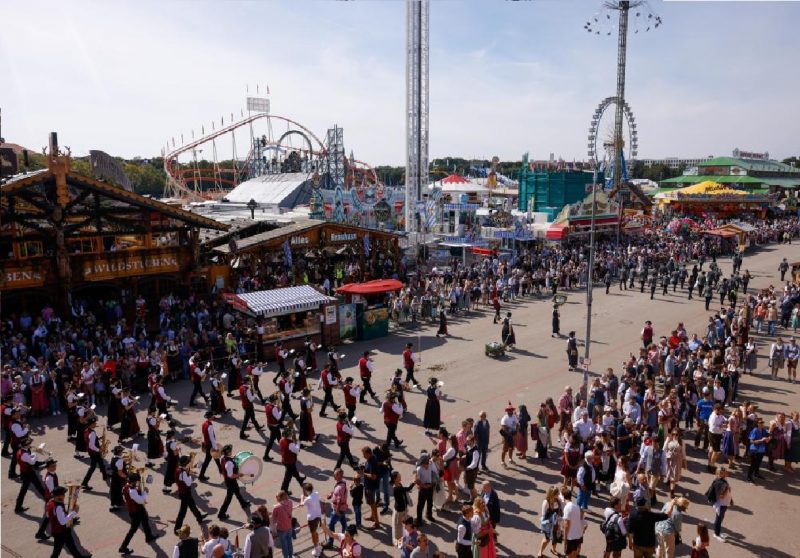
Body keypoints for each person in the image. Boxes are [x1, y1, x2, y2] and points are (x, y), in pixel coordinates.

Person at [119, 473, 160, 555]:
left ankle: (149, 537)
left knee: (145, 521)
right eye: (136, 481)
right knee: (133, 530)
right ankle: (123, 547)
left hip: (136, 510)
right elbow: (141, 500)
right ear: (133, 482)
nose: (138, 483)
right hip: (136, 512)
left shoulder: (125, 487)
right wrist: (145, 492)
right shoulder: (132, 491)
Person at [46, 485, 92, 558]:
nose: (64, 496)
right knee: (57, 552)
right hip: (60, 532)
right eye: (63, 494)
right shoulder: (58, 507)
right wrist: (74, 512)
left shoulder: (50, 502)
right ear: (58, 496)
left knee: (71, 545)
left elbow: (49, 515)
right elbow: (62, 522)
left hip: (59, 531)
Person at [174, 455, 208, 534]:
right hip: (185, 493)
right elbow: (189, 483)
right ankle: (177, 529)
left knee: (192, 505)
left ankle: (199, 518)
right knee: (182, 512)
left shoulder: (177, 470)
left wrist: (187, 471)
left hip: (183, 492)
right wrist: (189, 474)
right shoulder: (183, 473)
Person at [218, 444, 251, 520]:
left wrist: (232, 457)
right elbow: (230, 475)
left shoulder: (223, 458)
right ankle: (221, 514)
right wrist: (239, 474)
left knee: (237, 492)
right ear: (228, 452)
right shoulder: (229, 463)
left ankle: (243, 504)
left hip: (229, 481)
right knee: (228, 498)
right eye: (230, 451)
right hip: (230, 481)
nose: (231, 451)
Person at [80, 417, 108, 490]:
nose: (95, 424)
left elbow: (89, 440)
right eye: (94, 423)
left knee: (101, 462)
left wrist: (98, 438)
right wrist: (99, 450)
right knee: (92, 467)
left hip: (92, 452)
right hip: (94, 452)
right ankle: (84, 483)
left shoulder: (87, 430)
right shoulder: (92, 433)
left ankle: (105, 475)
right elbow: (91, 445)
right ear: (90, 425)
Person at [326, 468, 349, 547]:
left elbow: (339, 500)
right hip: (342, 509)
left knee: (331, 524)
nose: (333, 476)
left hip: (338, 509)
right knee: (344, 525)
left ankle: (330, 542)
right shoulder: (343, 482)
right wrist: (332, 494)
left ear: (339, 476)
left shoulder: (340, 487)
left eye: (335, 475)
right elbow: (337, 493)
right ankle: (345, 539)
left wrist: (337, 511)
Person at [279, 429, 306, 495]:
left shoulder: (281, 440)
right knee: (287, 478)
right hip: (290, 461)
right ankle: (283, 490)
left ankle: (300, 480)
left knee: (294, 471)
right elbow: (297, 451)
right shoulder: (290, 443)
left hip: (285, 460)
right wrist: (298, 443)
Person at [537, 486, 562, 558]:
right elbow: (543, 515)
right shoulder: (546, 502)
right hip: (549, 523)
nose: (558, 495)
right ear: (552, 494)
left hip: (557, 522)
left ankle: (554, 549)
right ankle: (540, 552)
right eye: (557, 493)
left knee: (556, 537)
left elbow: (561, 507)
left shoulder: (558, 499)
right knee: (547, 539)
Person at [414, 452, 437, 525]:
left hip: (430, 487)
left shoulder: (430, 464)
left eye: (427, 462)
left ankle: (429, 515)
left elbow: (434, 469)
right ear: (422, 462)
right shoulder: (419, 469)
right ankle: (419, 520)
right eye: (425, 462)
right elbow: (417, 480)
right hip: (423, 488)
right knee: (420, 505)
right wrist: (424, 486)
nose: (427, 464)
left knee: (430, 503)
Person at [711, 467, 733, 542]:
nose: (727, 472)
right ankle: (716, 534)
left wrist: (731, 500)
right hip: (721, 505)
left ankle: (718, 532)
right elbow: (720, 495)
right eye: (724, 472)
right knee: (718, 519)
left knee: (721, 518)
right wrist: (726, 489)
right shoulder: (719, 483)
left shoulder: (724, 480)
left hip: (725, 503)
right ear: (720, 474)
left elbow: (728, 492)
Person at [301, 482, 323, 557]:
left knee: (313, 534)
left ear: (306, 490)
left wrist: (302, 497)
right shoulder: (316, 493)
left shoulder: (308, 499)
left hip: (312, 519)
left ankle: (317, 549)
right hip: (318, 516)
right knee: (315, 532)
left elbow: (302, 504)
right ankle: (318, 546)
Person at [561, 487, 584, 558]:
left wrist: (565, 540)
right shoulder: (576, 506)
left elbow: (566, 525)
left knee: (569, 555)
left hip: (571, 537)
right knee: (574, 553)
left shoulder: (567, 508)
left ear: (563, 497)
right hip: (578, 534)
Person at [271, 490, 294, 558]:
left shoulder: (277, 508)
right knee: (289, 542)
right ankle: (291, 555)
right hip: (289, 526)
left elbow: (273, 519)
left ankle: (286, 556)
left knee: (284, 544)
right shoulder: (290, 502)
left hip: (281, 529)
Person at [198, 411, 221, 481]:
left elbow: (204, 434)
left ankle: (221, 470)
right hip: (210, 445)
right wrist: (215, 447)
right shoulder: (210, 426)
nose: (213, 417)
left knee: (216, 457)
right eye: (212, 416)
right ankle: (201, 476)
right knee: (207, 461)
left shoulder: (204, 423)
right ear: (210, 417)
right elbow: (212, 438)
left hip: (207, 443)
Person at [747, 417, 770, 482]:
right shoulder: (755, 430)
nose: (762, 423)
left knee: (758, 463)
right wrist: (761, 440)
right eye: (760, 422)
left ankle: (756, 473)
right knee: (753, 464)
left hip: (761, 450)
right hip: (754, 450)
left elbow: (767, 436)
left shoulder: (763, 429)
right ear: (757, 424)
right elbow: (751, 441)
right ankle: (749, 477)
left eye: (762, 422)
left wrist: (768, 438)